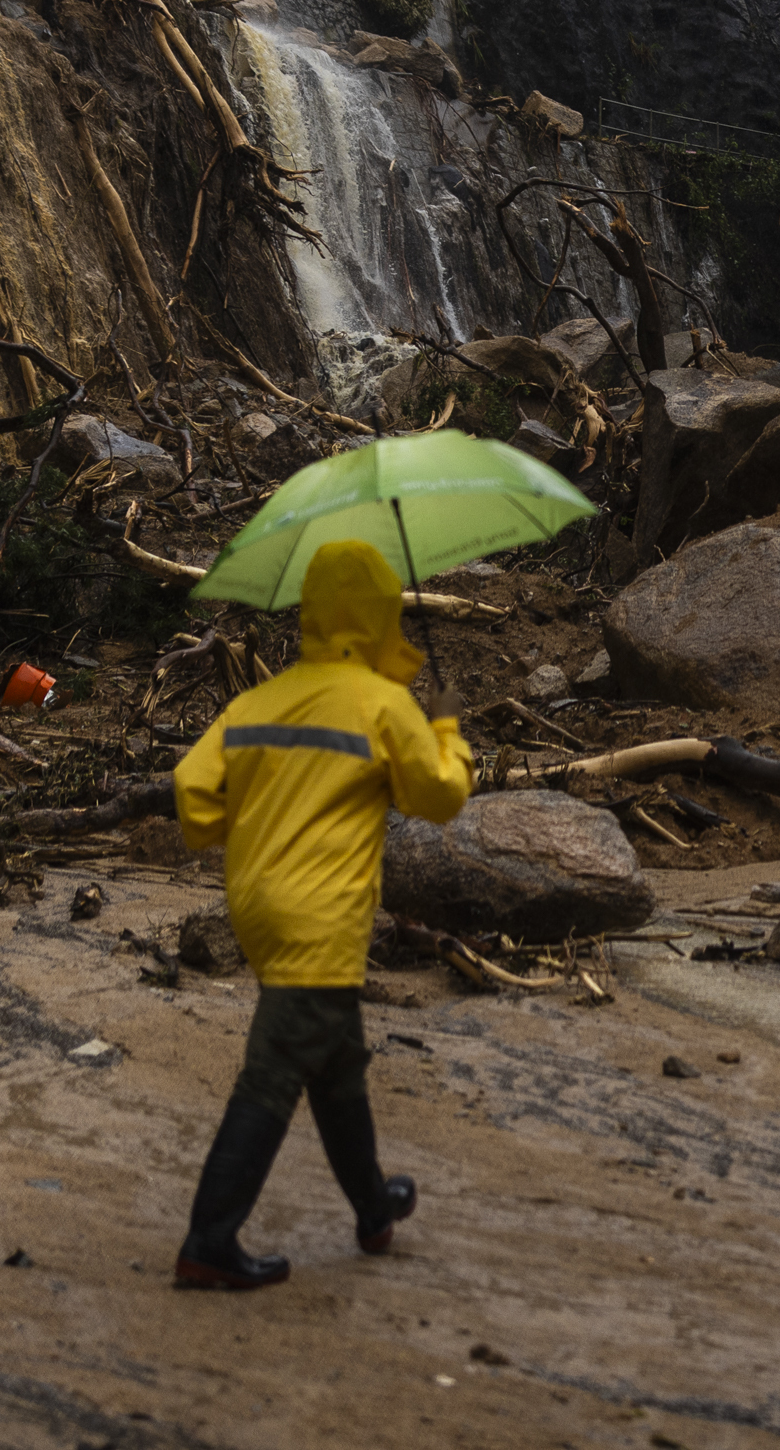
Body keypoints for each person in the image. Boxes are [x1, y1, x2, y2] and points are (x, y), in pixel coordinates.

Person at [167, 532, 473, 1291]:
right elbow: (439, 797)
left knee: (336, 1065)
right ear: (374, 617)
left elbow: (192, 791)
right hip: (324, 917)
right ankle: (208, 1242)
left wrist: (235, 826)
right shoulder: (380, 704)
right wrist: (446, 727)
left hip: (260, 911)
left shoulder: (256, 702)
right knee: (273, 1075)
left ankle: (373, 1206)